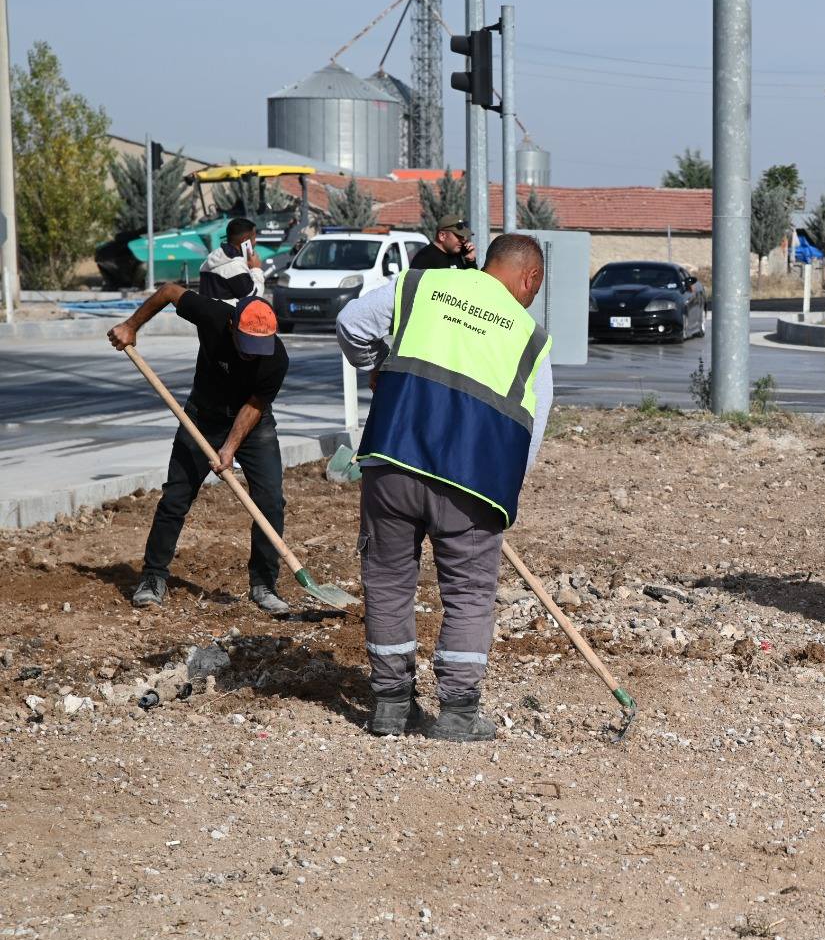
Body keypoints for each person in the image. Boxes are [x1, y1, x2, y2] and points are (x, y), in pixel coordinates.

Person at [336, 233, 553, 741]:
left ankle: (391, 705)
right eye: (536, 289)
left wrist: (375, 369)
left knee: (388, 581)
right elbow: (533, 426)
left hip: (393, 460)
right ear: (530, 278)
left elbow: (351, 323)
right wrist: (503, 494)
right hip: (473, 485)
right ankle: (457, 713)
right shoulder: (530, 338)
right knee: (469, 594)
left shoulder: (420, 286)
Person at [107, 288, 291, 614]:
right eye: (248, 346)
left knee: (270, 502)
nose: (253, 355)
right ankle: (152, 577)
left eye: (259, 348)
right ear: (232, 326)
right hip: (202, 417)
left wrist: (229, 448)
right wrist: (131, 325)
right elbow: (168, 291)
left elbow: (254, 406)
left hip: (253, 424)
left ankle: (264, 584)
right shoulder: (213, 315)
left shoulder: (276, 359)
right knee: (176, 498)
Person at [197, 218, 265, 302]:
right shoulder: (235, 266)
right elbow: (253, 299)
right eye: (254, 238)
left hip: (208, 309)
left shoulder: (211, 258)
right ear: (245, 241)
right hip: (226, 310)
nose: (255, 242)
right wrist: (256, 269)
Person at [406, 218, 478, 271]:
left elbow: (473, 283)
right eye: (458, 236)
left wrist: (470, 261)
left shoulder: (458, 254)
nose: (463, 240)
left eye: (463, 236)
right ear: (442, 236)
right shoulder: (424, 258)